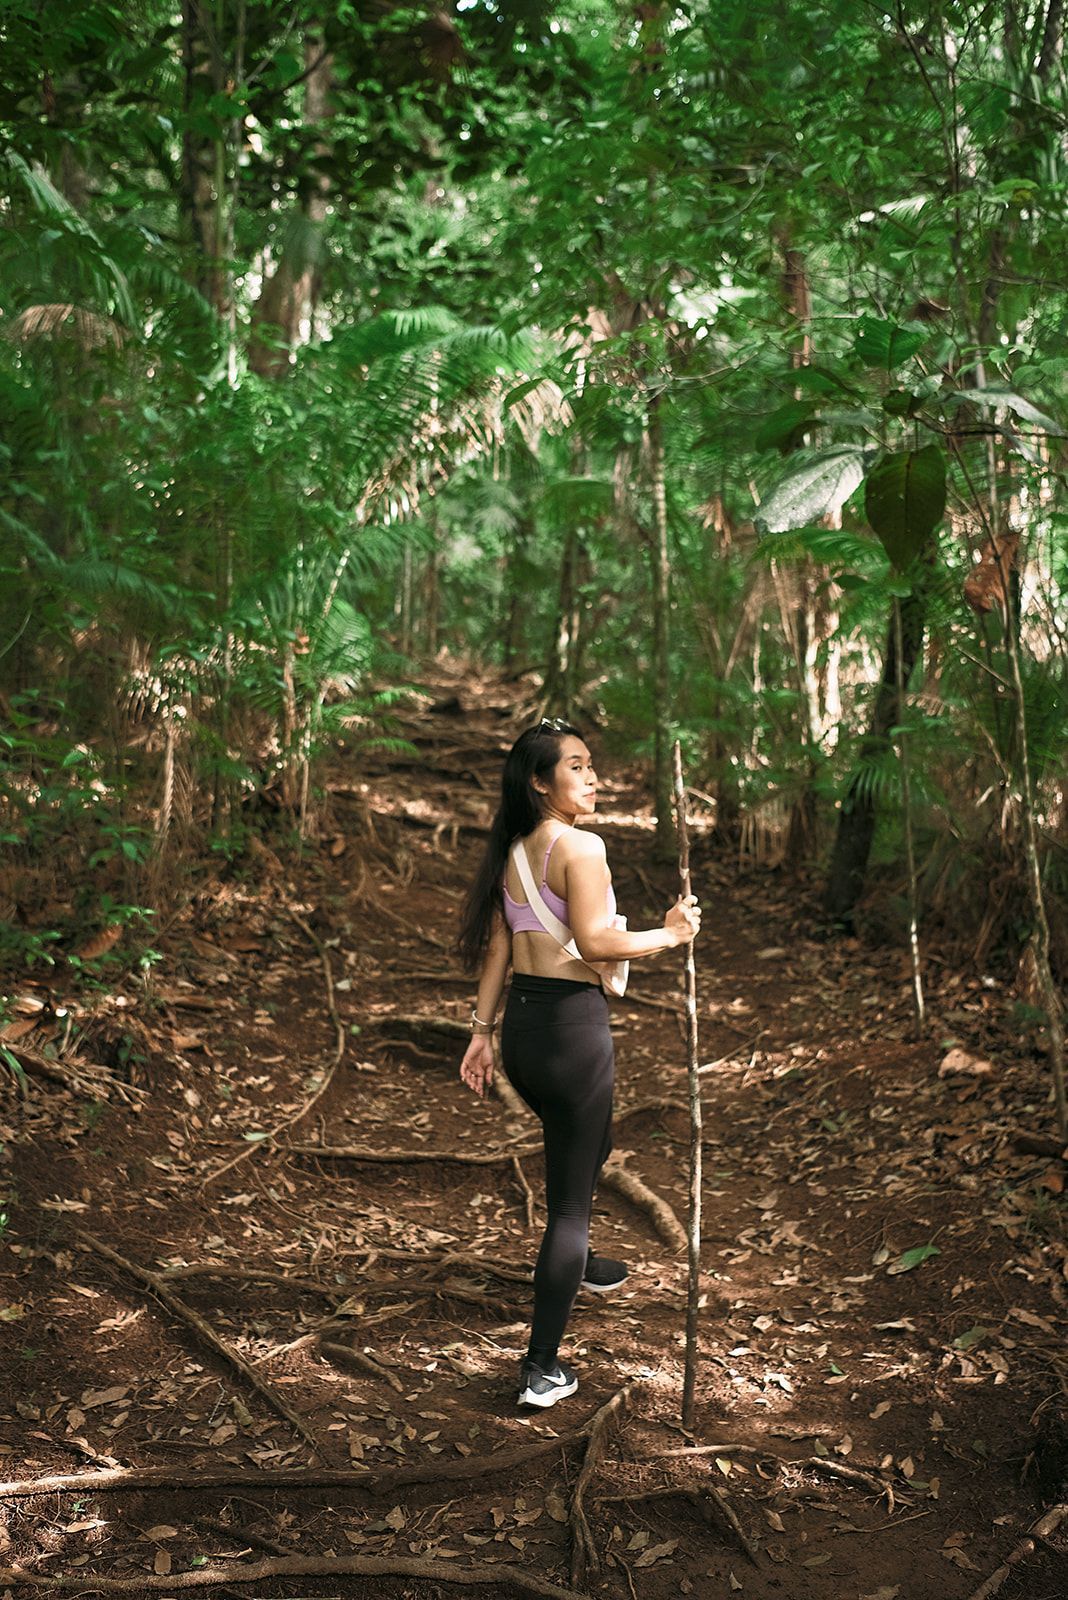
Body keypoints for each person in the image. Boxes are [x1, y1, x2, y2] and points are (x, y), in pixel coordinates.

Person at [456, 717, 701, 1408]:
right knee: (570, 1202)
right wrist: (672, 933)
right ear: (541, 782)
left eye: (593, 765)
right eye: (577, 766)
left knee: (593, 1145)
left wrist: (481, 1033)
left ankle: (582, 1263)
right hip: (572, 1031)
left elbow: (501, 950)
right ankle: (540, 1368)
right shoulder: (582, 848)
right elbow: (595, 943)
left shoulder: (514, 852)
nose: (594, 778)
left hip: (526, 1037)